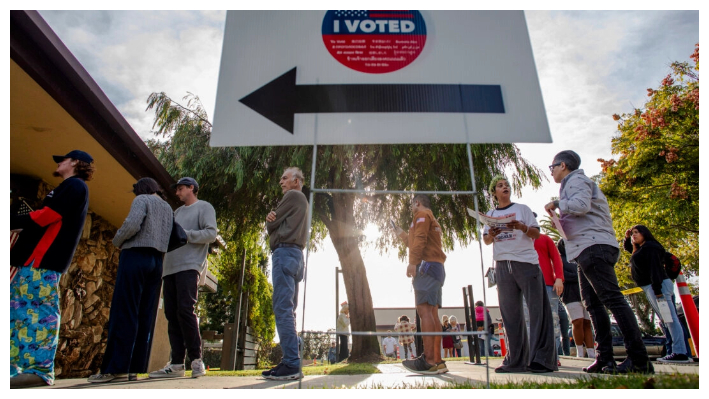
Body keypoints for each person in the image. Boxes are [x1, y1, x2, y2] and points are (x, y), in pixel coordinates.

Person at [545, 150, 651, 374]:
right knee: (593, 305)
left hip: (594, 247)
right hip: (584, 249)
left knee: (612, 299)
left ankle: (639, 359)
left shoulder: (577, 180)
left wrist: (557, 204)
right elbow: (581, 213)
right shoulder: (571, 185)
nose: (552, 171)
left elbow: (581, 205)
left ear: (562, 165)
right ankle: (605, 358)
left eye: (552, 167)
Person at [10, 150, 94, 388]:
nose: (58, 163)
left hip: (42, 263)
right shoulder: (66, 188)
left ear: (76, 163)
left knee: (37, 314)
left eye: (63, 159)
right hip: (31, 263)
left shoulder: (75, 186)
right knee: (17, 315)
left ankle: (39, 370)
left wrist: (12, 221)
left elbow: (46, 217)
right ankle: (14, 369)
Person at [88, 178, 173, 383]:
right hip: (157, 261)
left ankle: (115, 369)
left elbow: (132, 224)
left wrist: (117, 240)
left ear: (141, 189)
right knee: (145, 313)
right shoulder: (168, 208)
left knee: (124, 310)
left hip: (136, 255)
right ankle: (134, 368)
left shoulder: (142, 200)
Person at [483, 175, 557, 373]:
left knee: (537, 311)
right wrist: (493, 234)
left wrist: (522, 227)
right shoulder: (490, 214)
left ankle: (542, 360)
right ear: (494, 193)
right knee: (510, 313)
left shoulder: (522, 209)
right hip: (502, 265)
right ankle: (515, 361)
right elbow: (486, 240)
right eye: (500, 185)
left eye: (506, 185)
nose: (504, 187)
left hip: (526, 263)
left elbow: (536, 234)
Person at [149, 177, 217, 379]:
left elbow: (211, 234)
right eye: (176, 190)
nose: (177, 193)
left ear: (192, 188)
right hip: (169, 267)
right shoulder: (177, 212)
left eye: (180, 189)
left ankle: (197, 360)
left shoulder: (204, 207)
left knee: (185, 310)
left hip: (189, 266)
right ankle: (177, 364)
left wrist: (185, 234)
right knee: (171, 314)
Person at [259, 167, 309, 380]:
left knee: (282, 308)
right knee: (290, 310)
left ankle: (291, 363)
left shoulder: (293, 195)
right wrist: (273, 221)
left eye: (285, 177)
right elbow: (275, 223)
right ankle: (291, 360)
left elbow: (271, 226)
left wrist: (270, 221)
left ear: (297, 181)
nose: (281, 182)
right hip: (296, 257)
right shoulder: (303, 201)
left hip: (284, 253)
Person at [394, 194, 448, 374]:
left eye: (411, 205)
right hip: (436, 268)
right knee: (432, 313)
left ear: (417, 202)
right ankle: (437, 361)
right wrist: (402, 234)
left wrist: (412, 262)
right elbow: (416, 240)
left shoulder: (421, 215)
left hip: (426, 267)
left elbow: (420, 240)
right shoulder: (431, 217)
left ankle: (429, 361)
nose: (411, 209)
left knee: (424, 311)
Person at [624, 225, 691, 363]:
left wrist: (657, 290)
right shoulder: (642, 249)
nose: (634, 235)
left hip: (657, 286)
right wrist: (626, 238)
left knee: (670, 319)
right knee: (667, 320)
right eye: (632, 234)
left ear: (645, 233)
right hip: (652, 287)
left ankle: (680, 353)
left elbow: (655, 269)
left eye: (637, 232)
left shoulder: (651, 247)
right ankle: (675, 351)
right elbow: (631, 251)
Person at [558, 239, 595, 359]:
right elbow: (564, 276)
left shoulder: (578, 257)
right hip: (570, 295)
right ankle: (579, 352)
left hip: (585, 293)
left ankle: (591, 352)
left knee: (587, 323)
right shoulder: (560, 260)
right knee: (577, 322)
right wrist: (579, 276)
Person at [534, 232, 564, 365]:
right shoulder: (519, 240)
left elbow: (556, 257)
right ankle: (534, 355)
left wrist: (559, 278)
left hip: (548, 285)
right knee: (530, 321)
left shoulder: (544, 239)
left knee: (552, 321)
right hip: (529, 286)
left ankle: (554, 355)